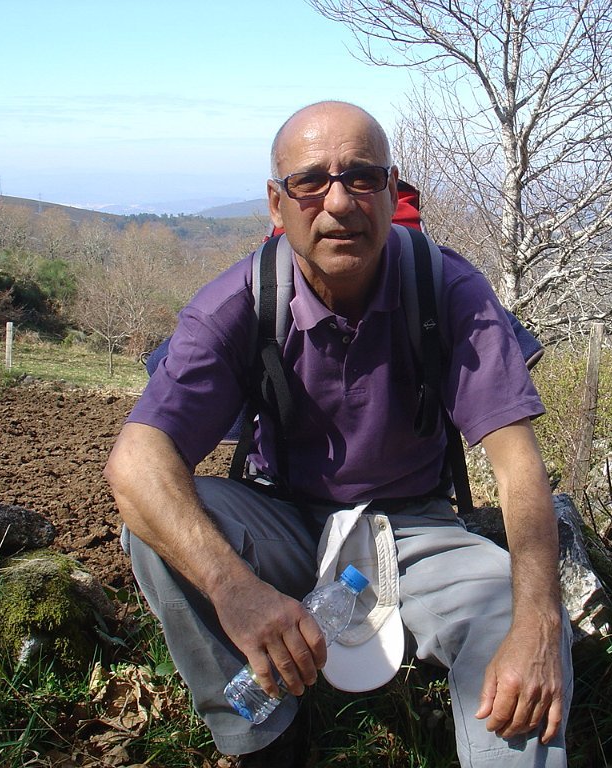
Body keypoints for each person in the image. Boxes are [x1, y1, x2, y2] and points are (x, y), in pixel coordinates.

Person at [103, 100, 572, 767]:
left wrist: (539, 622)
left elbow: (517, 464)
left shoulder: (447, 290)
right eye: (310, 182)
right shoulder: (239, 304)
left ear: (390, 188)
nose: (340, 202)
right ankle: (264, 737)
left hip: (414, 529)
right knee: (154, 526)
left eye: (361, 176)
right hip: (282, 522)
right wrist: (236, 593)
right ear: (277, 204)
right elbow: (136, 461)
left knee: (510, 611)